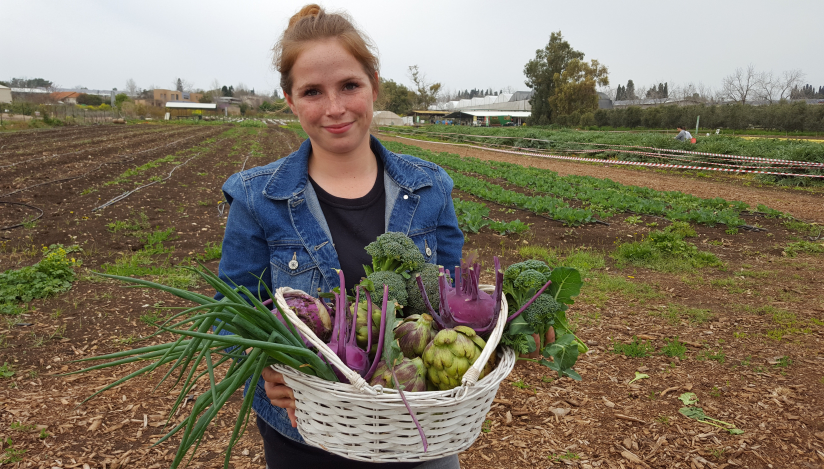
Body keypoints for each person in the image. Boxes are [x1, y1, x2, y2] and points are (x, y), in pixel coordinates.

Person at [215, 5, 464, 469]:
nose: (334, 108)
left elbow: (449, 306)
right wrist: (260, 366)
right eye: (312, 91)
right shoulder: (257, 199)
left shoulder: (431, 188)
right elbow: (229, 319)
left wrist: (502, 330)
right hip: (308, 434)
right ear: (289, 99)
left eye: (349, 85)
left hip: (418, 432)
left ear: (373, 83)